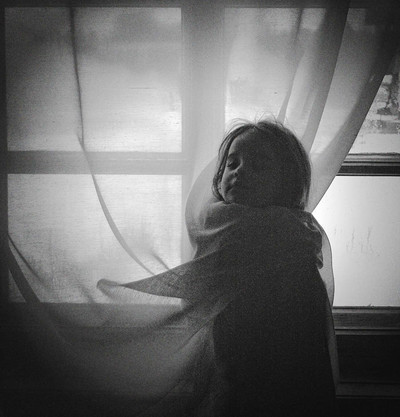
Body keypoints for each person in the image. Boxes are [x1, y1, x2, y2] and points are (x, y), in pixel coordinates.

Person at [99, 119, 338, 417]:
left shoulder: (285, 237)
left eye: (259, 165)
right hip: (231, 370)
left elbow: (296, 330)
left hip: (278, 382)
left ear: (288, 182)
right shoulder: (222, 227)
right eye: (232, 163)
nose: (239, 171)